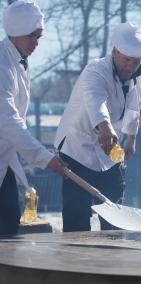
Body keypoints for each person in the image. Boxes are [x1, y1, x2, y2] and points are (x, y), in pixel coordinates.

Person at [54, 23, 141, 232]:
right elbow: (95, 100)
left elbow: (134, 107)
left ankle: (113, 251)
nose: (130, 66)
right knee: (78, 212)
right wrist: (105, 126)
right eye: (126, 59)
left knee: (114, 205)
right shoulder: (95, 70)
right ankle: (75, 258)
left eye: (136, 61)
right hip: (77, 147)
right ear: (114, 52)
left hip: (110, 151)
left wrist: (131, 138)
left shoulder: (139, 76)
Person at [0, 1, 67, 235]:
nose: (36, 43)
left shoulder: (17, 59)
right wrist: (41, 156)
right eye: (32, 36)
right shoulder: (1, 63)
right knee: (6, 222)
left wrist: (39, 151)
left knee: (8, 222)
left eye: (39, 37)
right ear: (16, 33)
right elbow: (6, 118)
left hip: (5, 158)